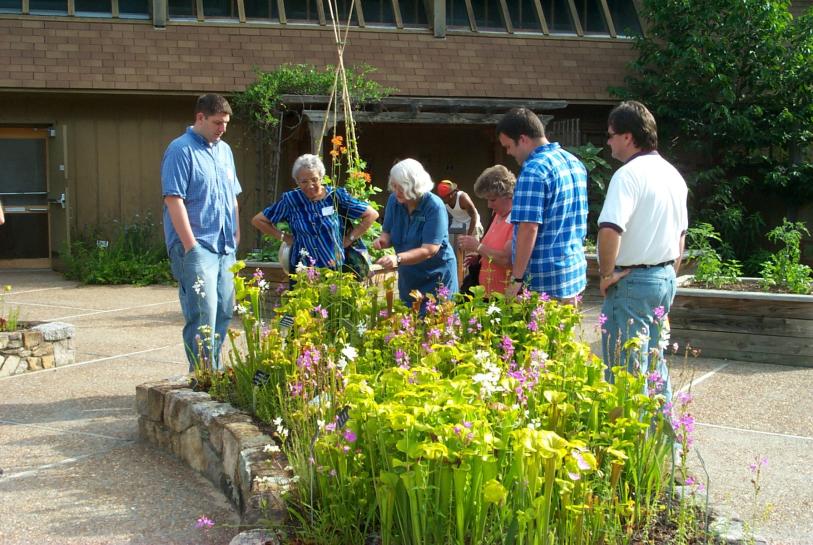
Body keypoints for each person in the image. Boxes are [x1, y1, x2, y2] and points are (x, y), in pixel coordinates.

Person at [597, 100, 688, 402]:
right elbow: (681, 236)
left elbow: (610, 229)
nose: (608, 142)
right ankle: (663, 448)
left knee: (626, 375)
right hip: (664, 278)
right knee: (655, 371)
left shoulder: (628, 175)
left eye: (610, 135)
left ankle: (632, 448)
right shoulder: (673, 174)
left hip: (632, 283)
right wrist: (667, 275)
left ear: (627, 136)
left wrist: (607, 274)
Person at [162, 93, 241, 372]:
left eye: (226, 123)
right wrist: (190, 246)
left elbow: (232, 196)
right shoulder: (180, 150)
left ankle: (214, 370)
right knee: (202, 313)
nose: (222, 128)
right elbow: (174, 199)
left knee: (224, 310)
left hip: (224, 246)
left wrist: (236, 235)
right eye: (217, 122)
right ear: (200, 118)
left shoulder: (224, 151)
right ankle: (202, 375)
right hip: (196, 247)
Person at [496, 107, 588, 304]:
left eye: (508, 146)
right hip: (573, 274)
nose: (509, 152)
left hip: (544, 282)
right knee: (566, 335)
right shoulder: (574, 162)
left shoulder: (533, 171)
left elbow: (528, 228)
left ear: (523, 139)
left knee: (539, 335)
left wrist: (517, 279)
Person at [251, 154, 378, 274]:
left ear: (321, 178)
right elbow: (258, 220)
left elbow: (371, 214)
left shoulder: (335, 197)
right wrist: (284, 237)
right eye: (304, 181)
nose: (310, 185)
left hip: (335, 267)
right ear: (297, 182)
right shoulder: (291, 200)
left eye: (314, 179)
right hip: (303, 270)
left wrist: (349, 238)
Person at [373, 158, 458, 309]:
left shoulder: (434, 206)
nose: (395, 191)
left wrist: (397, 259)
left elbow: (429, 250)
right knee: (410, 323)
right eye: (394, 186)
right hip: (410, 277)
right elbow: (387, 232)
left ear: (413, 186)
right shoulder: (394, 200)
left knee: (437, 325)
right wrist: (383, 241)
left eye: (400, 187)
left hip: (437, 277)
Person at [457, 165, 516, 296]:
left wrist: (478, 247)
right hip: (485, 293)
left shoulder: (517, 221)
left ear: (509, 195)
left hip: (504, 297)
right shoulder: (497, 215)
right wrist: (479, 257)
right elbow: (492, 249)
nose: (489, 205)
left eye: (492, 200)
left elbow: (507, 260)